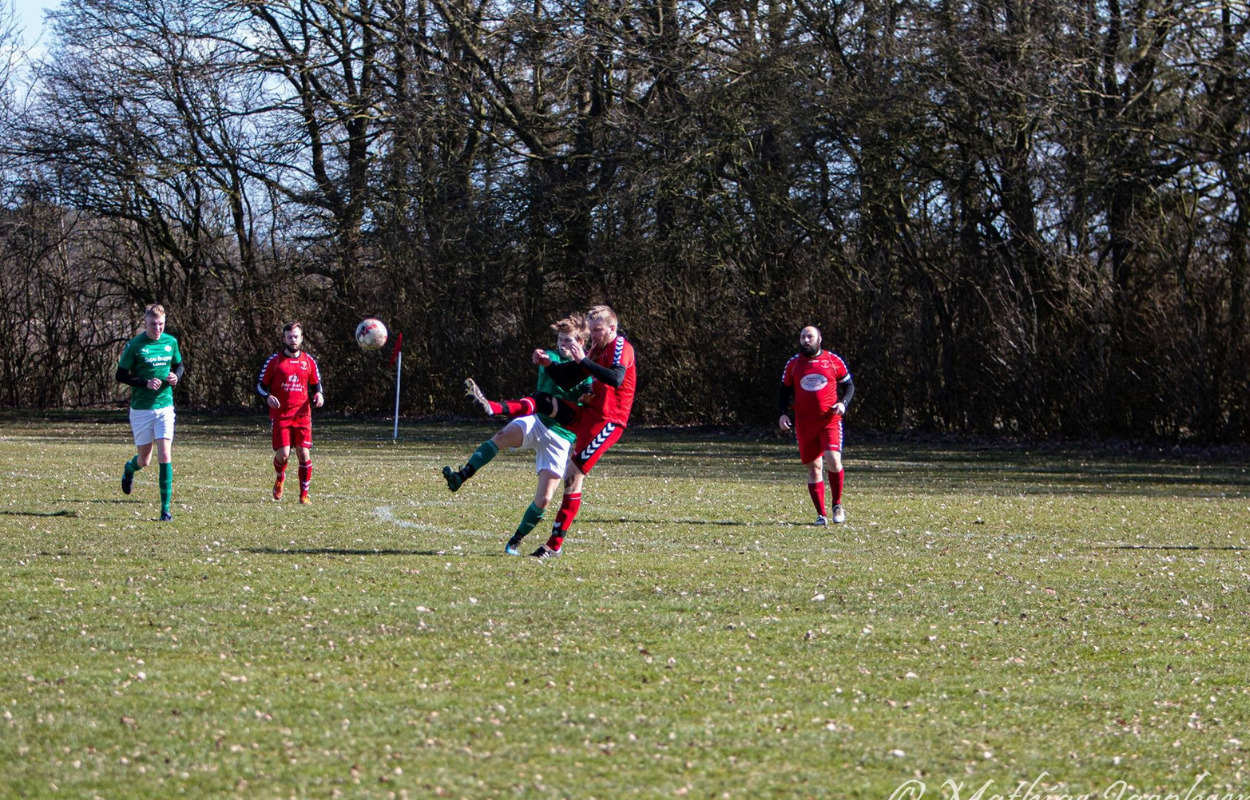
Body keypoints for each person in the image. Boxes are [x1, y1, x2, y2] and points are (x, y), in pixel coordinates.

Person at [442, 313, 594, 555]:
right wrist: (540, 357)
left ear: (581, 343)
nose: (562, 345)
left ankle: (515, 540)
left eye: (568, 340)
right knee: (502, 436)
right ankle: (462, 475)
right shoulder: (552, 357)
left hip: (562, 437)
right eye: (560, 340)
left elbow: (588, 393)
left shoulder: (586, 369)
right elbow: (547, 361)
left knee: (544, 499)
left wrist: (587, 397)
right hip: (538, 421)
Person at [530, 304, 637, 560]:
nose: (593, 335)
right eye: (591, 329)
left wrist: (583, 360)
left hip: (609, 422)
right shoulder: (596, 349)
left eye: (598, 330)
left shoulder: (621, 347)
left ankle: (554, 544)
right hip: (589, 414)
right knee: (543, 401)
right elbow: (570, 377)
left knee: (572, 475)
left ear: (612, 328)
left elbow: (616, 378)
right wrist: (548, 364)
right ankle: (495, 408)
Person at [778, 325, 855, 525]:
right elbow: (784, 391)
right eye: (803, 337)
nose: (806, 340)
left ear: (819, 339)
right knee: (814, 468)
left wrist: (843, 404)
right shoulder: (793, 364)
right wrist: (782, 414)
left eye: (810, 336)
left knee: (833, 459)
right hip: (805, 423)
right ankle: (821, 514)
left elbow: (848, 386)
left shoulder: (833, 360)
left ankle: (837, 504)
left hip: (829, 420)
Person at [116, 304, 184, 521]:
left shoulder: (170, 342)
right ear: (145, 323)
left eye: (161, 324)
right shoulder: (135, 345)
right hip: (142, 409)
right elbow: (120, 375)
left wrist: (176, 376)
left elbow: (179, 365)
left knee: (165, 454)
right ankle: (129, 469)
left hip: (165, 406)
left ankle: (165, 510)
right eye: (153, 324)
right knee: (144, 460)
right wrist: (144, 382)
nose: (157, 328)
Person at [257, 321, 324, 504]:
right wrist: (268, 396)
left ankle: (304, 495)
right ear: (284, 339)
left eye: (296, 336)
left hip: (302, 415)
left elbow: (316, 384)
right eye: (289, 337)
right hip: (281, 415)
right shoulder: (275, 361)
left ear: (301, 338)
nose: (293, 340)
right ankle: (280, 477)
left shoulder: (308, 361)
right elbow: (260, 386)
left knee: (304, 453)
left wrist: (319, 394)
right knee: (283, 455)